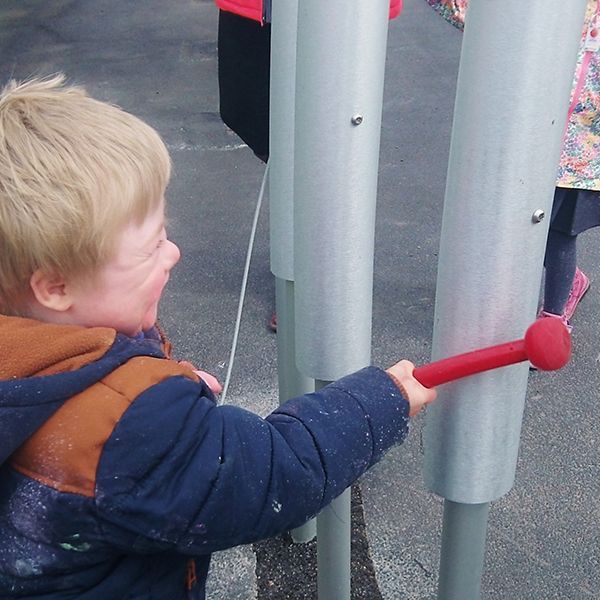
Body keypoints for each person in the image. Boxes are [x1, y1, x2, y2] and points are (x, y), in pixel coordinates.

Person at [0, 75, 436, 599]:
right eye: (153, 244)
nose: (174, 252)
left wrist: (156, 400)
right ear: (55, 286)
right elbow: (273, 474)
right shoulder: (123, 429)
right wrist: (380, 401)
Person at [425, 0, 599, 332]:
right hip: (527, 137)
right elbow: (486, 19)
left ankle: (552, 320)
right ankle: (519, 297)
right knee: (512, 220)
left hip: (580, 153)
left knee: (557, 232)